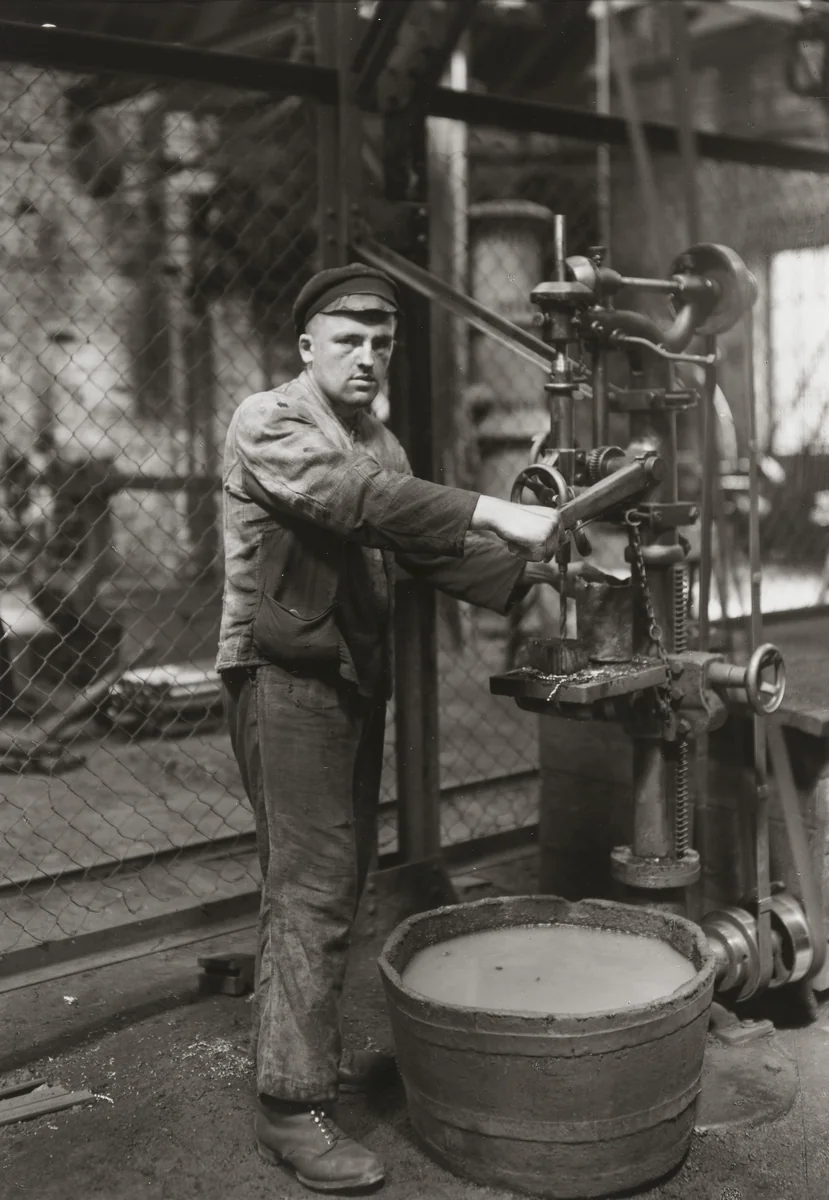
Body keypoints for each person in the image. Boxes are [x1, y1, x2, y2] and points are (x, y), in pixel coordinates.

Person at [217, 264, 570, 1193]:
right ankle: (288, 1110)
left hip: (345, 676)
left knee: (338, 878)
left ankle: (294, 1079)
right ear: (306, 347)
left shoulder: (380, 437)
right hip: (281, 678)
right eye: (348, 340)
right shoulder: (271, 420)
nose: (369, 357)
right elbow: (360, 501)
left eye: (381, 343)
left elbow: (425, 542)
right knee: (314, 886)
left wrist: (537, 573)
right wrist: (498, 507)